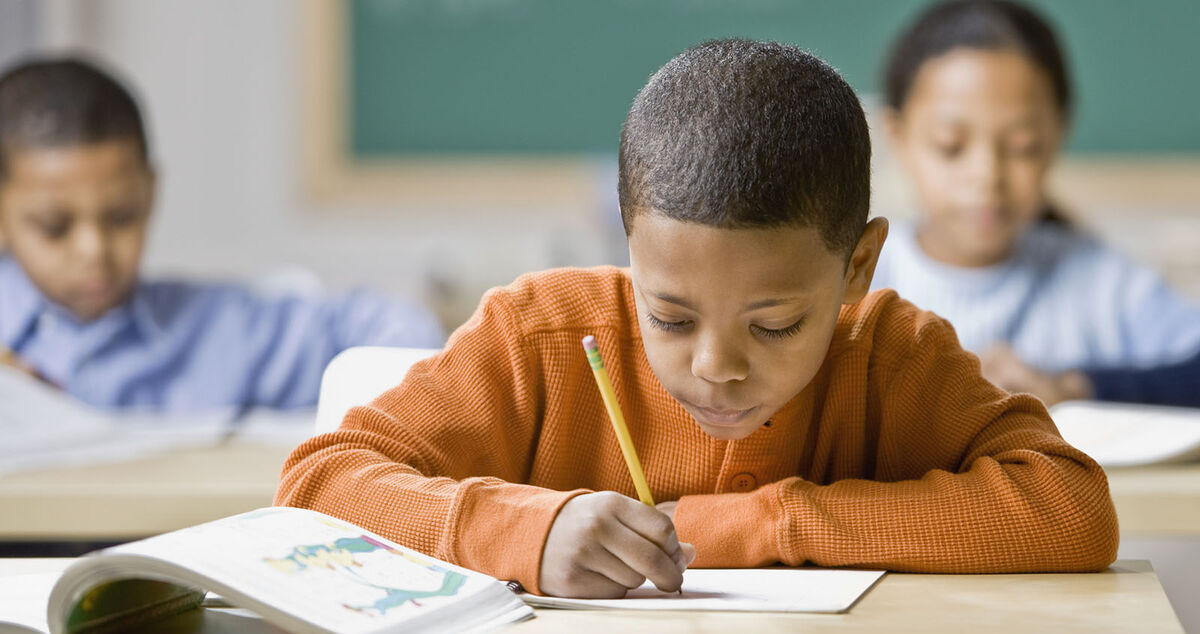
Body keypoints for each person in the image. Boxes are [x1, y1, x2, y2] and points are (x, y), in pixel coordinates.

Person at [276, 39, 1117, 598]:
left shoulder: (891, 355)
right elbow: (316, 485)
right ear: (631, 252)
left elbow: (1074, 509)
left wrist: (767, 522)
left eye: (777, 325)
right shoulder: (542, 335)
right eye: (670, 318)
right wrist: (530, 527)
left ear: (857, 267)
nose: (718, 366)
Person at [0, 57, 444, 412]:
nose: (94, 250)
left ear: (151, 193)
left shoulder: (219, 330)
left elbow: (391, 326)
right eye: (54, 228)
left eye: (122, 216)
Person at [872, 0, 1200, 406]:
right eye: (951, 147)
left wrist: (1071, 387)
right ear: (897, 136)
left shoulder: (1100, 282)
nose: (987, 175)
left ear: (1057, 135)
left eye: (1022, 148)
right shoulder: (864, 275)